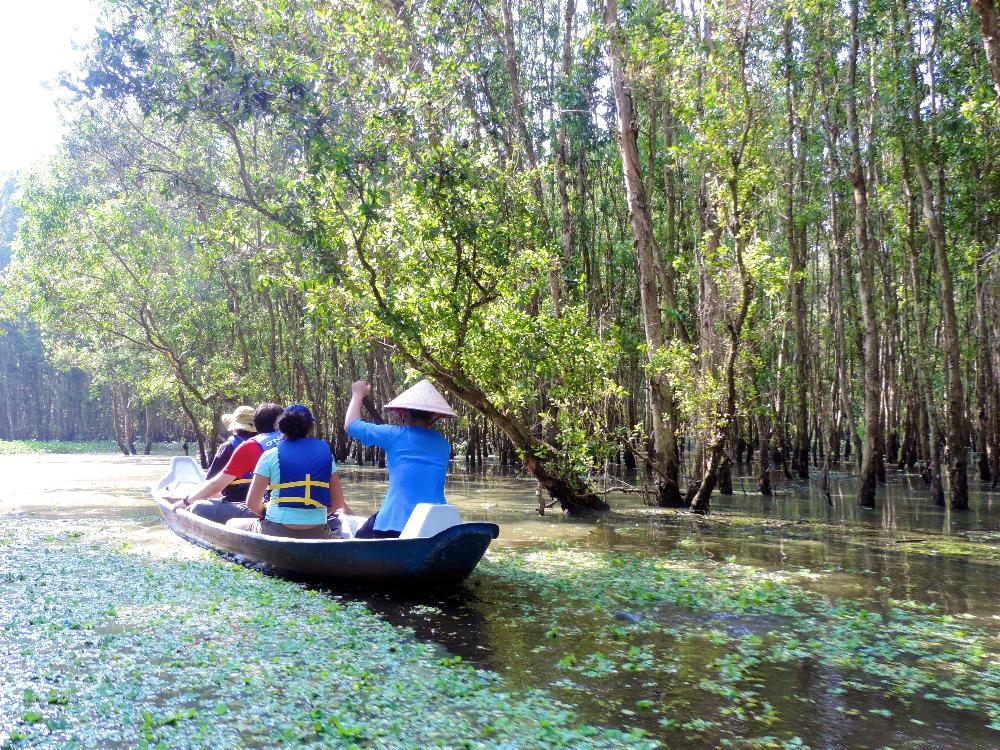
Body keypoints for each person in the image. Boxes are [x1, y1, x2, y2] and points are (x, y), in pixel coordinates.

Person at [344, 379, 455, 539]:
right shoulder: (444, 445)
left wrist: (357, 394)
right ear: (433, 417)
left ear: (404, 413)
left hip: (393, 526)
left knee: (359, 538)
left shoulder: (393, 434)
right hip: (434, 527)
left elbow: (351, 425)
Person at [227, 404, 350, 539]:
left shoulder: (270, 455)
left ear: (281, 427)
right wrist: (314, 517)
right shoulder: (327, 457)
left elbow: (251, 503)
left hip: (275, 528)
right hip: (317, 531)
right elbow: (338, 502)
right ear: (310, 427)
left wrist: (266, 514)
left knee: (231, 523)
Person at [171, 402, 285, 523]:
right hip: (287, 507)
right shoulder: (293, 443)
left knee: (198, 507)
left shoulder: (245, 447)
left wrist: (186, 501)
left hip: (256, 507)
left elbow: (214, 485)